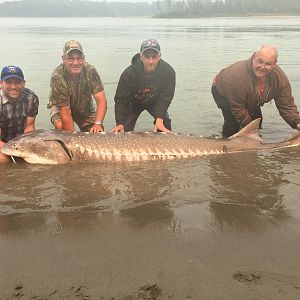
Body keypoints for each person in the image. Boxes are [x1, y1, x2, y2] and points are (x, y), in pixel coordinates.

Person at [212, 44, 300, 137]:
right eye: (260, 62)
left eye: (268, 64)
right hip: (223, 91)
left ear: (274, 64)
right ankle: (227, 145)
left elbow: (286, 106)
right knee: (233, 124)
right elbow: (238, 109)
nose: (262, 67)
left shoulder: (279, 78)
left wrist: (297, 123)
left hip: (253, 95)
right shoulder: (238, 77)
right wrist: (252, 131)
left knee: (257, 121)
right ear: (254, 58)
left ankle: (252, 145)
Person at [112, 38, 176, 133]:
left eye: (154, 57)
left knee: (164, 123)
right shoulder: (128, 73)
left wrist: (159, 119)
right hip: (134, 103)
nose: (151, 61)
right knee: (123, 131)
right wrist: (120, 123)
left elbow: (166, 98)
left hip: (155, 102)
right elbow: (121, 100)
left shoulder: (168, 72)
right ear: (141, 56)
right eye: (147, 57)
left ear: (159, 56)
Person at [47, 40, 107, 132]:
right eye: (71, 58)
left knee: (97, 132)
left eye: (79, 58)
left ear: (84, 58)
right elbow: (65, 111)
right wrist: (72, 137)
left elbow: (101, 100)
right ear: (63, 59)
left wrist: (98, 123)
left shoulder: (90, 71)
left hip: (85, 108)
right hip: (61, 108)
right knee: (63, 130)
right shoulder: (57, 77)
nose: (75, 63)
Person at [0, 66, 39, 163]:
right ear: (1, 83)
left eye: (17, 82)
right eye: (9, 82)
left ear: (24, 83)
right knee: (3, 159)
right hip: (2, 141)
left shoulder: (31, 98)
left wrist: (27, 150)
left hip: (20, 140)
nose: (13, 87)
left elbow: (29, 127)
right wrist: (10, 152)